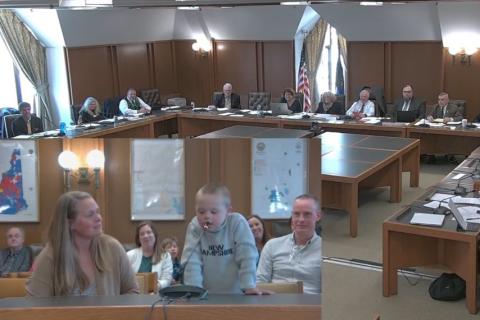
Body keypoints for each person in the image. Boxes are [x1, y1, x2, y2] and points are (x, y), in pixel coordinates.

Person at [26, 191, 138, 296]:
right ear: (70, 223)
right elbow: (35, 305)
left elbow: (132, 292)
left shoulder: (112, 247)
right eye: (90, 215)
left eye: (97, 212)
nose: (98, 218)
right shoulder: (51, 255)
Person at [181, 182, 269, 294]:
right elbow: (192, 262)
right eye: (201, 212)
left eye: (214, 212)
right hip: (204, 295)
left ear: (228, 211)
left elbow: (247, 256)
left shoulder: (237, 223)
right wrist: (194, 290)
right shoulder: (195, 227)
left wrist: (248, 285)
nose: (207, 216)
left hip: (238, 294)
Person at [257, 194, 322, 294]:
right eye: (296, 214)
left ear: (317, 216)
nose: (301, 220)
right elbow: (260, 283)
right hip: (276, 303)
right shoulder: (272, 246)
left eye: (307, 214)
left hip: (310, 306)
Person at [127, 221, 173, 290]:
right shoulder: (129, 255)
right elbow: (125, 279)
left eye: (149, 232)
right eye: (142, 234)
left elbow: (167, 279)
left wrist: (154, 286)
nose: (146, 236)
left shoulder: (165, 256)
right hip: (134, 296)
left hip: (156, 295)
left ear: (155, 235)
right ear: (138, 238)